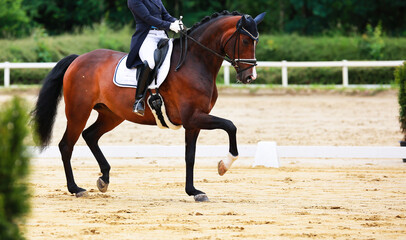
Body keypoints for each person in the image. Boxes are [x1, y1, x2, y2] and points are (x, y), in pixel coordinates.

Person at [126, 0, 182, 116]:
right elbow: (147, 18)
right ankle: (139, 100)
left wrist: (176, 21)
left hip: (162, 35)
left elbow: (165, 15)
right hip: (147, 37)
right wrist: (169, 25)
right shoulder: (133, 1)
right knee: (150, 62)